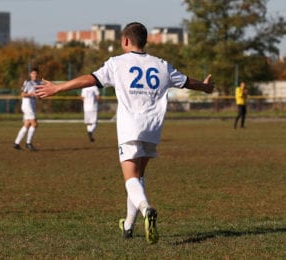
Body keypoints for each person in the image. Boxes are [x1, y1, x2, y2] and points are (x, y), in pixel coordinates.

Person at [35, 22, 214, 244]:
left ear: (126, 41)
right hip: (153, 127)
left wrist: (58, 87)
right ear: (145, 41)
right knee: (139, 177)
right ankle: (128, 225)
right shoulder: (162, 65)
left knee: (130, 178)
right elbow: (187, 82)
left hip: (131, 127)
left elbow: (89, 79)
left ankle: (146, 209)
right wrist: (206, 87)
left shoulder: (117, 63)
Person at [13, 68, 41, 151]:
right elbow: (22, 94)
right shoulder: (28, 82)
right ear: (30, 74)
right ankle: (28, 143)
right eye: (33, 73)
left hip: (32, 105)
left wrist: (39, 96)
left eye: (36, 73)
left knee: (27, 124)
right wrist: (31, 94)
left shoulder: (38, 83)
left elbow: (37, 94)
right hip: (27, 105)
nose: (34, 75)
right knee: (34, 124)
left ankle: (16, 143)